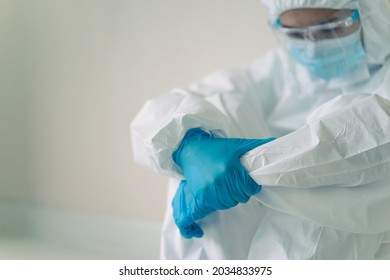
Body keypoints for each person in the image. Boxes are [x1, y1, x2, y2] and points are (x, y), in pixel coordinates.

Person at [131, 0, 390, 259]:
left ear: (368, 13)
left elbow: (360, 142)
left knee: (326, 201)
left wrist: (239, 170)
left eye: (328, 28)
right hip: (256, 227)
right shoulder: (280, 70)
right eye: (295, 34)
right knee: (209, 117)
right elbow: (171, 108)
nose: (312, 46)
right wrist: (189, 147)